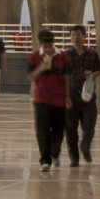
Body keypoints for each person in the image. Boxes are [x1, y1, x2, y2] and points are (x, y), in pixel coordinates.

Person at [29, 30, 70, 171]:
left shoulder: (63, 56)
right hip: (41, 98)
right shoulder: (35, 57)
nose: (47, 48)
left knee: (59, 129)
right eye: (45, 45)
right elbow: (30, 77)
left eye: (50, 44)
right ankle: (45, 160)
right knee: (42, 130)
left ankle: (55, 152)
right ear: (40, 44)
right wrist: (42, 67)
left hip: (59, 99)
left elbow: (66, 77)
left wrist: (67, 96)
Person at [67, 27, 100, 167]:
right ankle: (74, 158)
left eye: (79, 35)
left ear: (84, 37)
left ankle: (85, 146)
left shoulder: (92, 54)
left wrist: (92, 75)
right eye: (73, 35)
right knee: (70, 129)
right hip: (71, 95)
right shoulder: (66, 55)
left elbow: (99, 70)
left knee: (89, 125)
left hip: (88, 96)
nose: (76, 37)